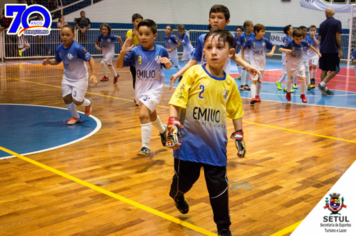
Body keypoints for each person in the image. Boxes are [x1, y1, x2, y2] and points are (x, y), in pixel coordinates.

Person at [166, 29, 246, 236]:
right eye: (209, 48)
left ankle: (223, 228)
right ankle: (177, 195)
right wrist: (172, 129)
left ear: (230, 53)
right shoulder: (193, 73)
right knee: (183, 184)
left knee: (219, 190)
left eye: (219, 48)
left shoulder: (230, 84)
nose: (213, 52)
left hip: (215, 147)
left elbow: (236, 111)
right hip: (188, 147)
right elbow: (175, 102)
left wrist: (239, 137)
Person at [168, 5, 260, 90]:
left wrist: (248, 66)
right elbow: (194, 60)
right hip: (204, 79)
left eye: (220, 17)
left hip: (223, 80)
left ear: (227, 21)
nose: (215, 20)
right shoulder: (202, 38)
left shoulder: (230, 37)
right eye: (213, 17)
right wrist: (178, 74)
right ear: (209, 20)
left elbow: (233, 56)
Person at [117, 19, 171, 156]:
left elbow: (168, 65)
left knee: (143, 114)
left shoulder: (161, 50)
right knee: (151, 114)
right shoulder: (135, 51)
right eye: (140, 34)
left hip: (155, 89)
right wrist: (123, 52)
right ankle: (163, 130)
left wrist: (168, 63)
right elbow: (118, 66)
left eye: (147, 34)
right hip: (141, 90)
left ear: (154, 35)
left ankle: (145, 147)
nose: (143, 37)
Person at [42, 25, 97, 125]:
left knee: (77, 101)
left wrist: (94, 74)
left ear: (73, 35)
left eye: (68, 35)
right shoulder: (59, 48)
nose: (64, 37)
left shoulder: (78, 48)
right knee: (66, 98)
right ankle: (76, 117)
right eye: (62, 34)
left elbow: (90, 59)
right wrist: (49, 62)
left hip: (80, 79)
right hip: (67, 78)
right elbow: (57, 60)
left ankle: (88, 103)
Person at [279, 28, 321, 103]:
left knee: (303, 78)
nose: (298, 41)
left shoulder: (303, 42)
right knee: (290, 79)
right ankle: (288, 92)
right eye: (296, 39)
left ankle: (302, 95)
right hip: (290, 63)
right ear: (293, 37)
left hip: (299, 64)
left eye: (300, 39)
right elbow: (280, 49)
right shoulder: (289, 43)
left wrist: (317, 52)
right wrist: (286, 50)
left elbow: (310, 46)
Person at [244, 24, 276, 105]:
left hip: (262, 64)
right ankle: (252, 97)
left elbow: (273, 46)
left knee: (259, 81)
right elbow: (242, 47)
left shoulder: (265, 40)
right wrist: (243, 57)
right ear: (256, 32)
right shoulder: (251, 41)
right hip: (254, 65)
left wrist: (272, 52)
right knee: (254, 80)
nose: (264, 33)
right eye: (262, 31)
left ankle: (257, 95)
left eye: (264, 31)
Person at [318, 7, 342, 96]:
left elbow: (320, 38)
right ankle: (322, 85)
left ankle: (325, 89)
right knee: (335, 69)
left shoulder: (322, 24)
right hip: (332, 49)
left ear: (326, 14)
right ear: (334, 13)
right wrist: (340, 49)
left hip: (323, 49)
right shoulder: (337, 22)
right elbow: (338, 37)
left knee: (324, 69)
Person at [126, 13, 143, 105]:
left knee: (141, 77)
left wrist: (139, 36)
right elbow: (129, 45)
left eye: (140, 22)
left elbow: (143, 44)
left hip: (142, 57)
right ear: (132, 22)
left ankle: (139, 97)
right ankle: (137, 96)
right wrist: (133, 36)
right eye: (137, 21)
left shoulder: (143, 32)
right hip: (133, 58)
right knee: (134, 76)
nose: (138, 23)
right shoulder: (129, 32)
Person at [275, 24, 295, 93]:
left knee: (288, 72)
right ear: (288, 31)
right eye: (292, 29)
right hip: (285, 56)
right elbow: (283, 48)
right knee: (287, 72)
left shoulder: (291, 38)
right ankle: (286, 87)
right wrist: (288, 50)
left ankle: (279, 82)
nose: (293, 30)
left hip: (290, 57)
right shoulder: (286, 38)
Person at [239, 20, 255, 91]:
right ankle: (242, 84)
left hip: (251, 54)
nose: (252, 28)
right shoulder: (242, 36)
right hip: (245, 54)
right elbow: (242, 46)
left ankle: (246, 84)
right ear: (246, 27)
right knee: (243, 68)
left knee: (249, 69)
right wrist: (242, 56)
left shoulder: (253, 35)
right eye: (251, 26)